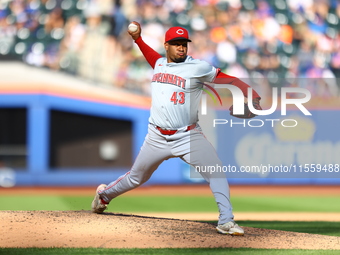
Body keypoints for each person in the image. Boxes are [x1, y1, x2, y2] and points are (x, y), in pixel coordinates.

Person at [91, 22, 262, 235]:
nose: (181, 47)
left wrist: (248, 91)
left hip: (188, 135)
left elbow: (230, 79)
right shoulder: (160, 64)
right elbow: (151, 57)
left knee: (216, 170)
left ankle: (226, 221)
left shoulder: (197, 67)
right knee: (136, 178)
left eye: (184, 44)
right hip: (156, 136)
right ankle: (104, 196)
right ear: (167, 46)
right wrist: (138, 40)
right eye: (176, 44)